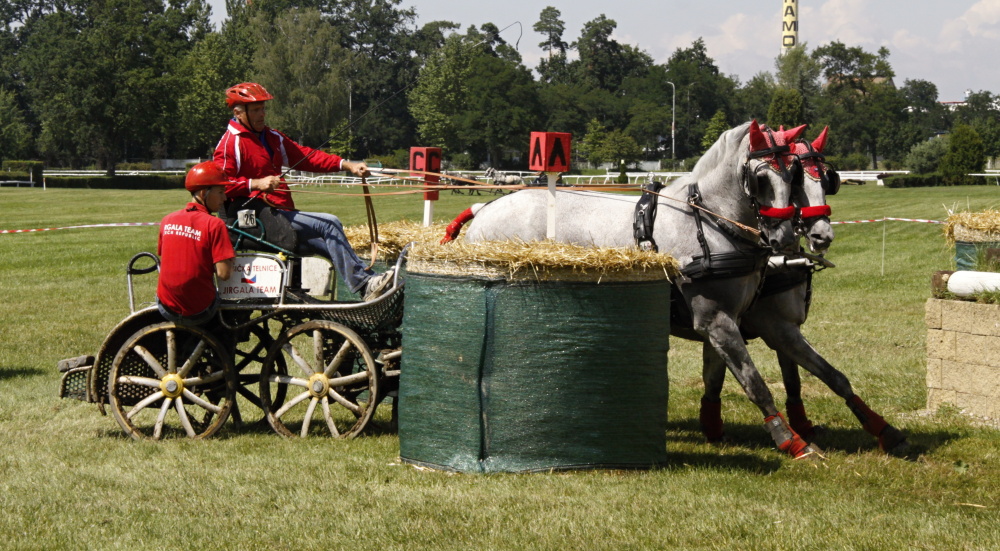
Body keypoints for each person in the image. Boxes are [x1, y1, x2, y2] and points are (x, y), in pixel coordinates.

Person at [213, 82, 394, 301]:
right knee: (328, 223)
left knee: (328, 239)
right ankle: (364, 283)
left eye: (263, 109)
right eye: (255, 110)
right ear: (238, 112)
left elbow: (307, 157)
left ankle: (367, 285)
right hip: (252, 221)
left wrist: (348, 165)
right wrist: (255, 184)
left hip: (278, 215)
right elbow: (220, 185)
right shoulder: (230, 143)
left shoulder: (272, 137)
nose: (262, 114)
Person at [156, 161, 236, 325]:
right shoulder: (214, 224)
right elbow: (224, 274)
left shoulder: (167, 220)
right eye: (221, 192)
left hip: (166, 305)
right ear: (203, 193)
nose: (225, 198)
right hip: (199, 308)